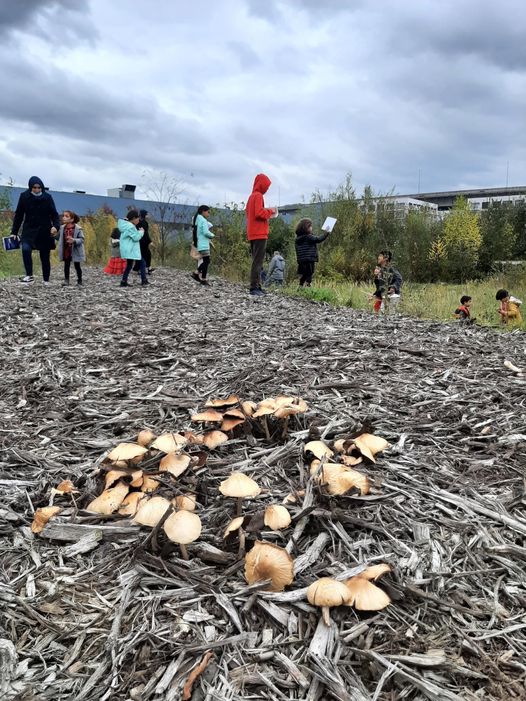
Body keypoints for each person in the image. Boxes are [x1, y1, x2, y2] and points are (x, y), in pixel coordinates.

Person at [9, 175, 60, 285]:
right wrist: (14, 232)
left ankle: (46, 279)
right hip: (29, 229)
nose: (37, 190)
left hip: (44, 231)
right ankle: (29, 275)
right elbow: (19, 215)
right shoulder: (24, 197)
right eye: (34, 187)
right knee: (26, 249)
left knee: (44, 256)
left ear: (41, 187)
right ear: (30, 187)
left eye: (39, 187)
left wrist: (55, 227)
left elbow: (55, 215)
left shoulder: (48, 198)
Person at [245, 173, 276, 296]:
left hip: (252, 232)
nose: (267, 189)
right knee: (258, 261)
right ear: (261, 184)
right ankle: (254, 287)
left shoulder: (251, 197)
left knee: (256, 260)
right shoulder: (258, 196)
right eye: (266, 186)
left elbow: (249, 213)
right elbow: (259, 213)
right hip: (259, 233)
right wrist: (270, 211)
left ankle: (257, 285)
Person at [295, 218, 329, 287]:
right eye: (310, 226)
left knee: (304, 274)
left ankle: (300, 286)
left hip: (301, 260)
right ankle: (308, 285)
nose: (311, 228)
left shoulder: (297, 239)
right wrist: (326, 233)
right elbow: (318, 239)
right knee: (310, 273)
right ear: (306, 228)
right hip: (309, 258)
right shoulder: (308, 237)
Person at [118, 210, 148, 287]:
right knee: (143, 263)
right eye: (137, 218)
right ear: (134, 218)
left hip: (127, 249)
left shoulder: (125, 225)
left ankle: (123, 281)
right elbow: (136, 238)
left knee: (129, 265)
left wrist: (137, 232)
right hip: (131, 249)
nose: (138, 220)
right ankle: (144, 280)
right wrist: (141, 232)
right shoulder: (131, 226)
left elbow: (132, 236)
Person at [56, 211, 85, 286]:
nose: (64, 217)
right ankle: (66, 280)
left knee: (77, 265)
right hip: (66, 249)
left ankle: (79, 280)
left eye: (66, 216)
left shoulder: (78, 229)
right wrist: (53, 234)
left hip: (75, 250)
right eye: (63, 216)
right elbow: (58, 237)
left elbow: (82, 239)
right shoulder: (62, 228)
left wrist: (74, 240)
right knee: (66, 265)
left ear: (72, 219)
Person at [191, 205, 214, 285]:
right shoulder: (203, 220)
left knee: (205, 261)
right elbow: (206, 232)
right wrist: (212, 235)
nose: (208, 214)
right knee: (207, 261)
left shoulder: (197, 219)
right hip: (204, 244)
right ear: (203, 211)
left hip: (199, 243)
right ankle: (198, 274)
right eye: (208, 212)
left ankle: (201, 277)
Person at [133, 209, 154, 275]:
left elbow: (145, 233)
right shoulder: (141, 222)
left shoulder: (142, 222)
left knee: (145, 255)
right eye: (147, 214)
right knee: (143, 255)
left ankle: (147, 268)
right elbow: (144, 233)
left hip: (142, 241)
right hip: (142, 242)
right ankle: (142, 269)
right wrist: (149, 241)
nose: (148, 215)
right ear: (144, 215)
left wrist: (149, 241)